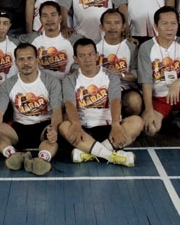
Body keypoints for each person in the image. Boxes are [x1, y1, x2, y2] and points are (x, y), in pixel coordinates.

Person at [58, 38, 141, 166]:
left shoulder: (111, 76)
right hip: (84, 130)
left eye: (91, 54)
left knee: (137, 121)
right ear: (75, 59)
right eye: (82, 55)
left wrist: (116, 125)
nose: (87, 59)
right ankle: (110, 156)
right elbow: (70, 105)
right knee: (64, 126)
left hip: (109, 129)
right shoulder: (69, 80)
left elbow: (115, 101)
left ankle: (89, 152)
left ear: (97, 56)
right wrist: (76, 124)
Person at [0, 42, 63, 175]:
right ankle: (12, 155)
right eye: (21, 59)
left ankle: (42, 159)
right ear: (16, 62)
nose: (26, 63)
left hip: (44, 127)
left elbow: (57, 111)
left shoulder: (51, 81)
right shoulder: (8, 84)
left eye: (29, 58)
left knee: (54, 136)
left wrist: (54, 130)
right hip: (18, 128)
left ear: (37, 60)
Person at [136, 6, 180, 146]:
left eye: (173, 23)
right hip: (159, 97)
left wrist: (177, 83)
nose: (170, 28)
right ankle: (173, 117)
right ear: (156, 26)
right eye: (165, 24)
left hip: (179, 93)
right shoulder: (146, 47)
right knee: (150, 129)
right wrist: (149, 111)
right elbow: (146, 82)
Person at [96, 9, 141, 113]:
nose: (112, 27)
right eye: (108, 23)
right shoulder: (93, 46)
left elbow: (137, 74)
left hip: (124, 88)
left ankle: (133, 122)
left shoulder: (131, 47)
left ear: (123, 26)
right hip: (99, 89)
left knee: (134, 100)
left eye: (117, 23)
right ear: (101, 26)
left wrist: (121, 75)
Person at [25, 1, 81, 80]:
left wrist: (74, 70)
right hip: (41, 85)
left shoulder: (74, 40)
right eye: (45, 15)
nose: (49, 19)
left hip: (65, 84)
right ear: (40, 20)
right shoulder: (31, 40)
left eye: (53, 15)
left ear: (60, 18)